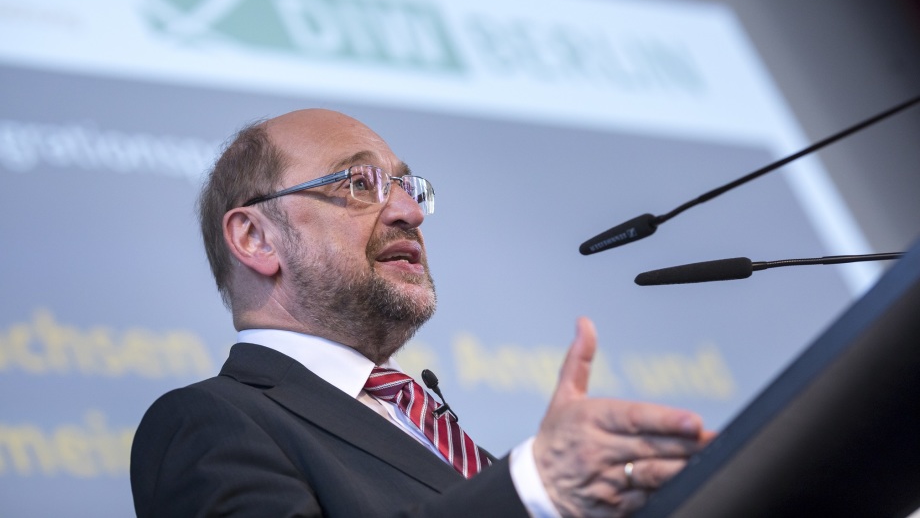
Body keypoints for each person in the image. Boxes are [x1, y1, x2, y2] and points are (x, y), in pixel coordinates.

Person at [130, 109, 712, 517]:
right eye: (361, 183)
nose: (410, 210)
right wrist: (534, 488)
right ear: (256, 237)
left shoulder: (429, 424)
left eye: (408, 187)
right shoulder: (204, 423)